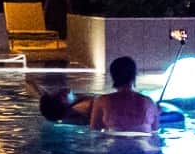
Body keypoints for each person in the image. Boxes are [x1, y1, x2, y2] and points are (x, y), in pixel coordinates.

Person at [34, 56, 162, 133]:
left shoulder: (103, 101)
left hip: (113, 145)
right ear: (135, 75)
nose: (66, 90)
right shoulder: (149, 102)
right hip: (144, 146)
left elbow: (95, 131)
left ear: (113, 77)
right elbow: (155, 130)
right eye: (61, 95)